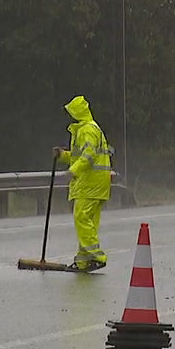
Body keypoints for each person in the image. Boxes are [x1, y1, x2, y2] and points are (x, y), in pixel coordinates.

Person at [53, 95, 113, 270]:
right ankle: (83, 261)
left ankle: (98, 257)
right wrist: (63, 155)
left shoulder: (87, 129)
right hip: (96, 182)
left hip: (90, 183)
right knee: (88, 222)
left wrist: (73, 171)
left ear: (77, 113)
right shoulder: (88, 128)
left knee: (81, 218)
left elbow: (88, 155)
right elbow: (79, 155)